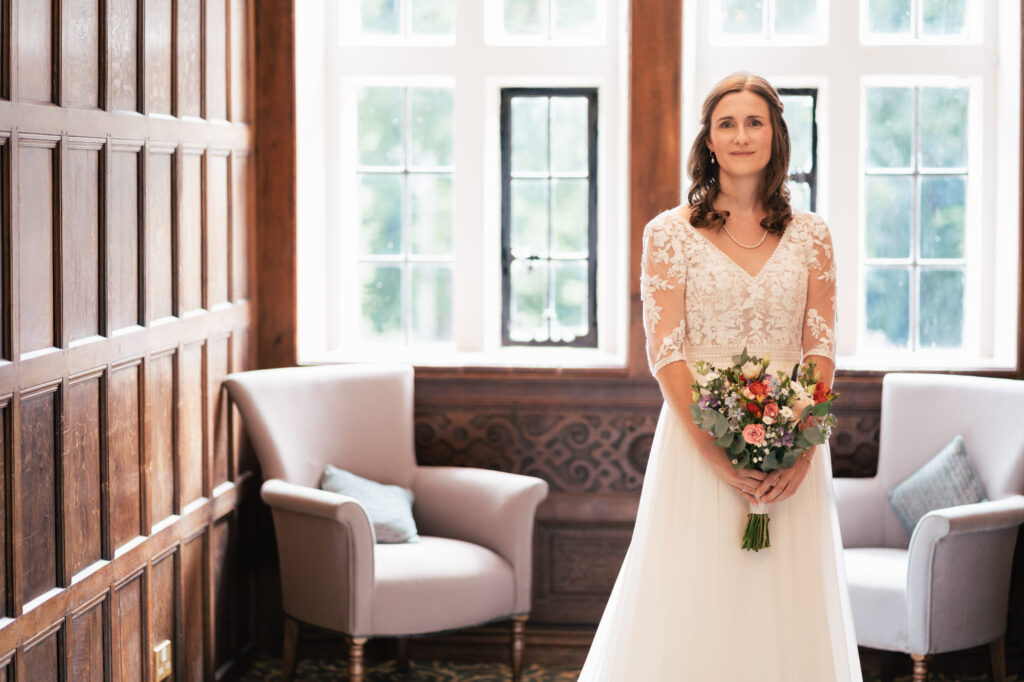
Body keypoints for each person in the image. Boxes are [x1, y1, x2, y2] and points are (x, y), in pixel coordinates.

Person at [577, 73, 863, 681]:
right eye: (726, 123)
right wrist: (715, 451)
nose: (740, 135)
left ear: (776, 135)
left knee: (786, 604)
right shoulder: (668, 234)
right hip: (696, 445)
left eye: (754, 122)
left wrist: (801, 452)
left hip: (793, 444)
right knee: (694, 596)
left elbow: (820, 346)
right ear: (708, 139)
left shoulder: (812, 235)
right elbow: (667, 350)